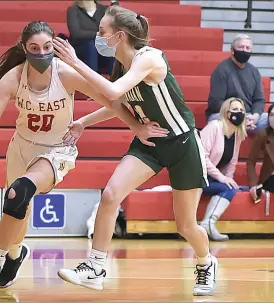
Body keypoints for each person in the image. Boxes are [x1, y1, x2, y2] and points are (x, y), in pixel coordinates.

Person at [0, 21, 143, 292]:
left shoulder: (66, 74)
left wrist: (136, 126)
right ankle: (14, 255)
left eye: (47, 47)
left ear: (55, 47)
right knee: (16, 212)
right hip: (21, 148)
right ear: (24, 48)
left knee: (19, 192)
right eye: (34, 48)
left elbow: (113, 101)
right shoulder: (13, 78)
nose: (42, 52)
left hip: (58, 149)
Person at [53, 5, 218, 296]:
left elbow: (114, 93)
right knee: (110, 195)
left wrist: (76, 62)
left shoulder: (149, 59)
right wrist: (83, 122)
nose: (97, 36)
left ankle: (206, 262)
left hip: (182, 144)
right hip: (150, 143)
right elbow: (117, 103)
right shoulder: (122, 65)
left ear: (119, 36)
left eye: (102, 31)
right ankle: (95, 267)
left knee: (186, 225)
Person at [199, 97, 248, 241]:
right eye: (235, 110)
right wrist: (222, 178)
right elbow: (202, 157)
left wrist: (229, 178)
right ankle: (208, 222)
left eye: (241, 110)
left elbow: (232, 161)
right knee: (229, 188)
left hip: (212, 177)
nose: (239, 113)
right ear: (226, 113)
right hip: (197, 176)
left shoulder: (237, 133)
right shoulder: (214, 126)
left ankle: (208, 223)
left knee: (241, 188)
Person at [205, 34, 267, 133]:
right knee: (216, 121)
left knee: (273, 120)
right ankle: (240, 126)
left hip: (249, 117)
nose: (244, 50)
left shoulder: (254, 71)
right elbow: (216, 102)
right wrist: (239, 117)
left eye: (248, 48)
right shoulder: (221, 70)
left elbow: (259, 100)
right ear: (232, 50)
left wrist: (255, 116)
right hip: (226, 115)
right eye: (241, 47)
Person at [67, 0, 115, 75]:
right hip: (81, 48)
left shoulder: (104, 9)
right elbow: (76, 34)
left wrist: (114, 2)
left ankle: (114, 77)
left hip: (101, 46)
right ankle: (92, 77)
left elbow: (114, 26)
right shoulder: (73, 10)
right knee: (90, 44)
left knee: (112, 44)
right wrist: (98, 34)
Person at [247, 103, 274, 199]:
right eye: (271, 115)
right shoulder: (263, 133)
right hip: (272, 177)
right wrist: (253, 184)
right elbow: (251, 160)